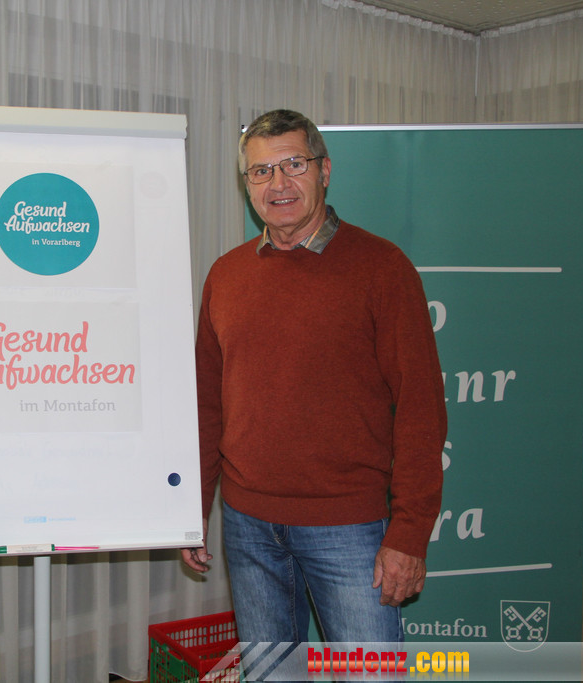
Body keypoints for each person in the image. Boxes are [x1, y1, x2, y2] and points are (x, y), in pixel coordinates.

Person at [182, 109, 446, 649]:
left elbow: (421, 408)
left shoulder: (383, 269)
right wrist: (191, 509)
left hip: (350, 528)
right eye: (261, 171)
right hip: (248, 524)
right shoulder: (226, 275)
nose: (278, 183)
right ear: (247, 183)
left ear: (324, 170)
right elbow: (207, 405)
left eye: (294, 165)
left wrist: (409, 533)